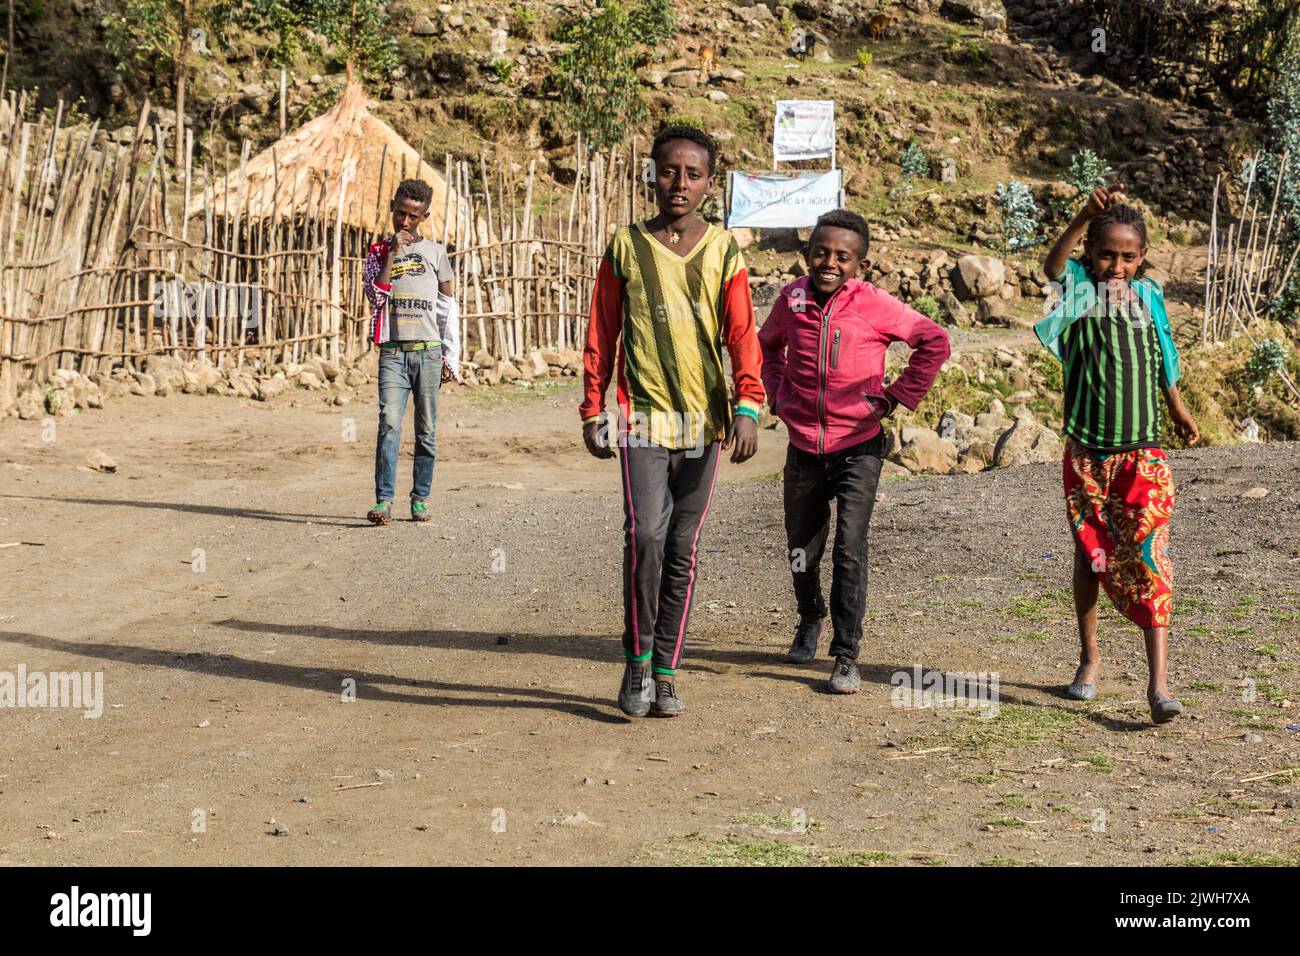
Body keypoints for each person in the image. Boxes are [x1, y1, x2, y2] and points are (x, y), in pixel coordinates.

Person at [581, 124, 764, 718]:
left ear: (710, 182)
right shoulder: (626, 247)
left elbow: (742, 334)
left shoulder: (724, 250)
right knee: (645, 537)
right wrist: (592, 407)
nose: (678, 183)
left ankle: (665, 672)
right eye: (667, 171)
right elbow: (602, 332)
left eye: (692, 173)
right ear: (651, 175)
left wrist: (747, 406)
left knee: (683, 545)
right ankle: (636, 661)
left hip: (705, 423)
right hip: (643, 420)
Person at [759, 209, 950, 693]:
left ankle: (846, 652)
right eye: (821, 252)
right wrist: (779, 396)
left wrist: (896, 397)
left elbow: (933, 341)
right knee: (802, 548)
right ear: (807, 255)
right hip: (804, 448)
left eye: (843, 256)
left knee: (850, 547)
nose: (830, 262)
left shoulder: (875, 304)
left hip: (858, 448)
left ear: (859, 265)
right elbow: (766, 349)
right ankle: (809, 618)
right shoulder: (791, 300)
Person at [1036, 184, 1199, 724]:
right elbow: (1051, 263)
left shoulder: (1150, 297)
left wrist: (1176, 405)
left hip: (1143, 454)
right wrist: (1084, 215)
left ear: (1143, 257)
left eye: (1129, 256)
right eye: (1107, 253)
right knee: (1090, 553)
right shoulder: (1080, 290)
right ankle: (1089, 660)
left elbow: (1164, 352)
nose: (1117, 265)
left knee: (1150, 556)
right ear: (1091, 254)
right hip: (1087, 453)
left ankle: (1158, 686)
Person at [361, 179, 460, 525]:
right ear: (392, 207)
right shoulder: (376, 253)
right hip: (393, 352)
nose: (405, 222)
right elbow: (375, 297)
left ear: (424, 216)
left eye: (413, 217)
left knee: (427, 428)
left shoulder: (435, 252)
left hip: (429, 353)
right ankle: (384, 500)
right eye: (400, 214)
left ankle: (420, 499)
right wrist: (392, 254)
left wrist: (451, 356)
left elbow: (448, 308)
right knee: (388, 423)